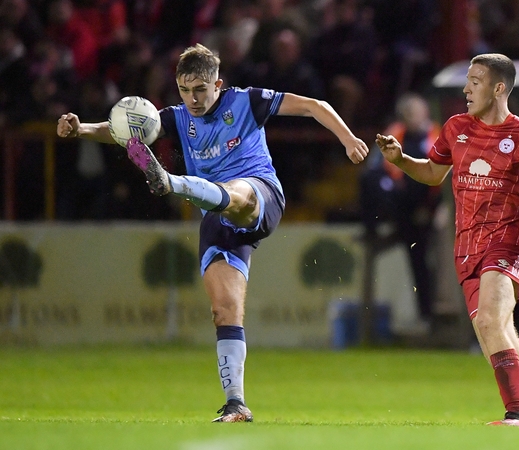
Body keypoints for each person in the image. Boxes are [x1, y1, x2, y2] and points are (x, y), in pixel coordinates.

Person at [56, 43, 369, 422]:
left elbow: (313, 105)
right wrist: (82, 129)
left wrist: (348, 138)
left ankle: (173, 183)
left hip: (260, 195)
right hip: (216, 218)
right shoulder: (174, 117)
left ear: (217, 84)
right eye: (185, 91)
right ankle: (236, 403)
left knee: (237, 193)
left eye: (201, 89)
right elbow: (124, 130)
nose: (193, 99)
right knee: (224, 311)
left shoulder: (246, 101)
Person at [375, 53, 519, 426]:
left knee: (490, 323)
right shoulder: (455, 128)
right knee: (503, 344)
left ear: (499, 88)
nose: (466, 89)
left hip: (509, 241)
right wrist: (400, 160)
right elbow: (433, 174)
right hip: (468, 247)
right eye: (467, 80)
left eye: (475, 81)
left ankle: (517, 416)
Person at [359, 92, 441, 332]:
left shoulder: (437, 137)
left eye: (414, 112)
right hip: (399, 204)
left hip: (426, 206)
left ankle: (426, 314)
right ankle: (372, 228)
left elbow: (444, 178)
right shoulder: (394, 134)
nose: (410, 118)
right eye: (407, 114)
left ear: (425, 113)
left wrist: (434, 210)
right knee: (370, 178)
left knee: (420, 262)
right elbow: (375, 168)